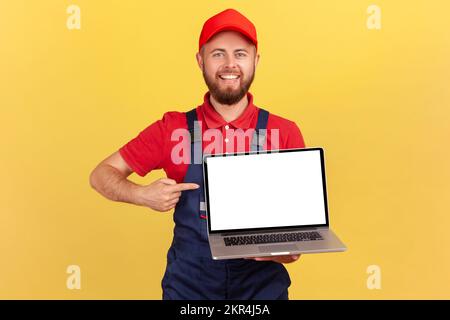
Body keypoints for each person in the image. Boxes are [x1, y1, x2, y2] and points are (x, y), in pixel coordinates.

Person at [90, 8, 306, 300]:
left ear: (256, 61)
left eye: (240, 54)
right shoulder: (172, 128)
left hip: (261, 289)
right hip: (190, 286)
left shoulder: (285, 133)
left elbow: (296, 239)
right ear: (200, 60)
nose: (230, 64)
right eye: (218, 53)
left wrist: (287, 251)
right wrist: (142, 195)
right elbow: (101, 175)